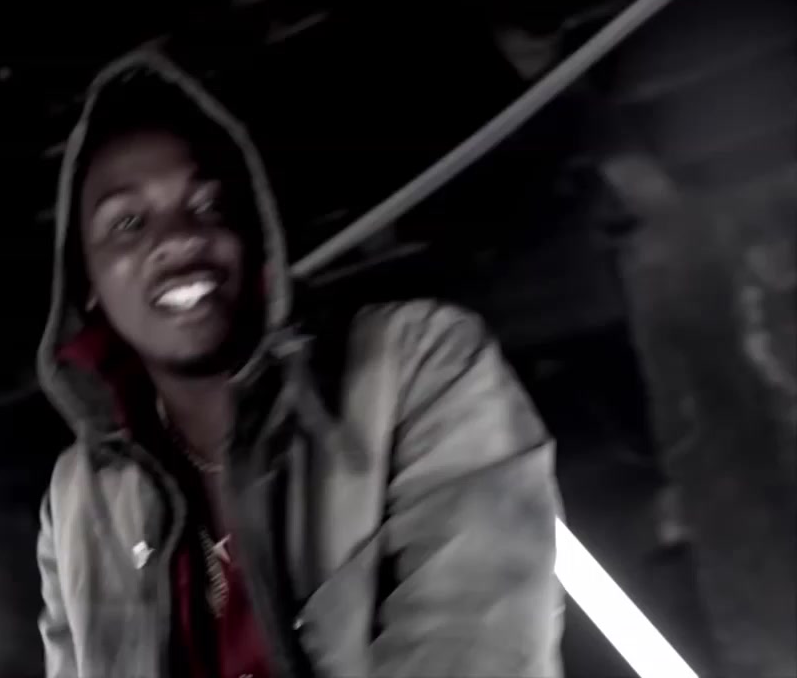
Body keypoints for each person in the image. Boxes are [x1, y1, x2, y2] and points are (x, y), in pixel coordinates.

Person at [35, 49, 562, 678]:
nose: (178, 237)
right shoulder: (77, 498)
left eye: (209, 205)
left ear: (256, 232)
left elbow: (476, 643)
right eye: (127, 222)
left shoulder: (419, 365)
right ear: (87, 286)